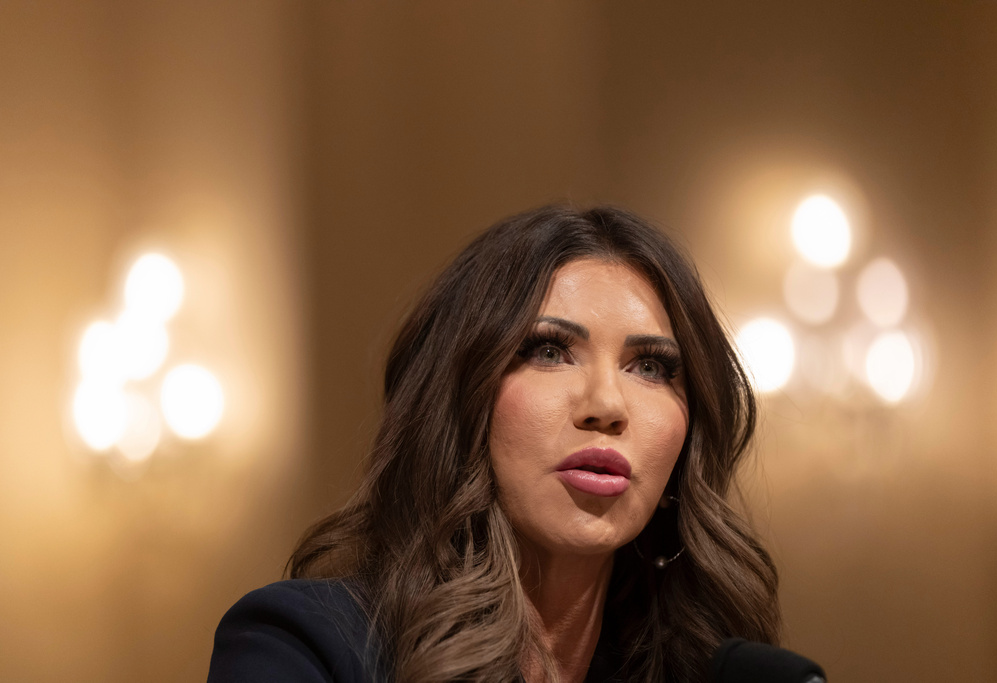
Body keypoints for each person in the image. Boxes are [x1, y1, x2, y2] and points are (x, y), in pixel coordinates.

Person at [208, 205, 781, 683]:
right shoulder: (303, 645)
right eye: (549, 351)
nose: (606, 405)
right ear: (462, 397)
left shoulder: (719, 669)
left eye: (651, 366)